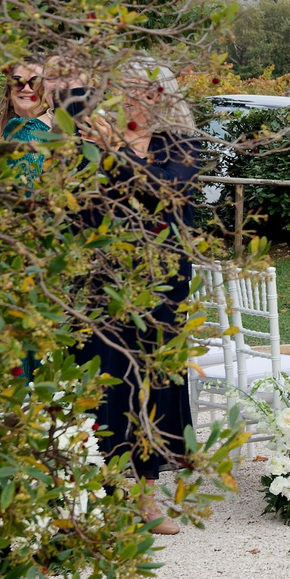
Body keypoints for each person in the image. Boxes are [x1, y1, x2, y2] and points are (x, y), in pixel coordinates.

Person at [86, 58, 202, 534]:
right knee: (107, 385)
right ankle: (106, 494)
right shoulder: (85, 143)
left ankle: (149, 497)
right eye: (122, 85)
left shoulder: (181, 143)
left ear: (161, 95)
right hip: (100, 283)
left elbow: (164, 192)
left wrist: (115, 151)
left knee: (151, 383)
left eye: (142, 88)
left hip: (161, 281)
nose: (131, 95)